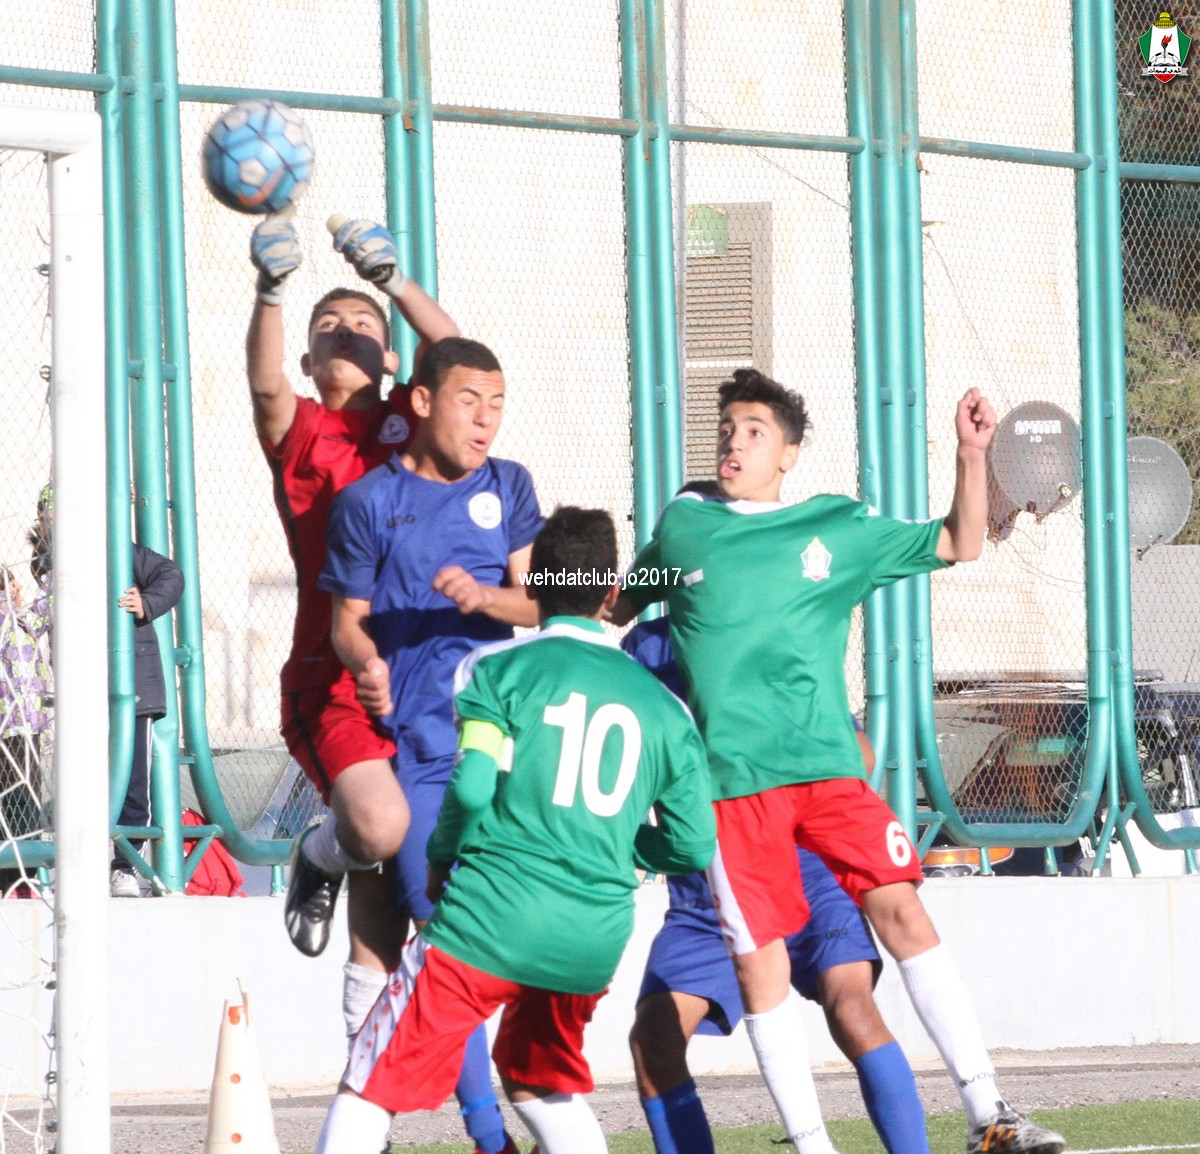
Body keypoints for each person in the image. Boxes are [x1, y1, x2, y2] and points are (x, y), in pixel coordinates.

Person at [614, 370, 1065, 1154]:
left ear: (788, 454)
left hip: (823, 792)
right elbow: (607, 596)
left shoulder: (835, 526)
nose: (734, 442)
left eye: (755, 431)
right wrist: (531, 578)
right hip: (730, 812)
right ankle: (812, 1144)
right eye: (726, 429)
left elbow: (958, 542)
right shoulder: (680, 544)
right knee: (735, 991)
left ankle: (988, 1112)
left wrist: (971, 454)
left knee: (896, 928)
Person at [314, 506, 716, 1154]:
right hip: (590, 936)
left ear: (534, 589)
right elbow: (693, 844)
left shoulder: (496, 669)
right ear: (611, 595)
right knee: (540, 1082)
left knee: (371, 1081)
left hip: (490, 918)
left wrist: (440, 859)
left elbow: (472, 786)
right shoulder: (664, 708)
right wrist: (623, 843)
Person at [318, 334, 540, 1154]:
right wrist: (368, 663)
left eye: (497, 404)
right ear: (421, 401)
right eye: (468, 400)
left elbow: (542, 601)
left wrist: (484, 597)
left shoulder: (509, 485)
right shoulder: (369, 503)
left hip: (509, 754)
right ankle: (490, 1135)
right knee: (446, 945)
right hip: (422, 752)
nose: (486, 420)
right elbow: (346, 623)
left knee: (510, 949)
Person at [245, 213, 456, 1037]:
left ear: (395, 360)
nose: (345, 329)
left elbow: (459, 359)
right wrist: (270, 291)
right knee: (375, 826)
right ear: (308, 359)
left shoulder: (414, 420)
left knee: (389, 885)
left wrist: (392, 281)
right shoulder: (302, 430)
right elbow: (264, 385)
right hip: (332, 676)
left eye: (363, 324)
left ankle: (366, 1081)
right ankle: (319, 848)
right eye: (327, 324)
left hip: (423, 674)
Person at [622, 610, 929, 1154]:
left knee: (852, 1010)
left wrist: (783, 761)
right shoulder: (645, 648)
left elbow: (858, 753)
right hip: (706, 889)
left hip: (807, 871)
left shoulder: (770, 622)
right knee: (654, 1041)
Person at [109, 543, 185, 897]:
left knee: (133, 781)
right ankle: (75, 861)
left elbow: (171, 575)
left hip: (135, 685)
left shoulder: (121, 549)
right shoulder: (53, 553)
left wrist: (147, 603)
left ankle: (126, 866)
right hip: (84, 687)